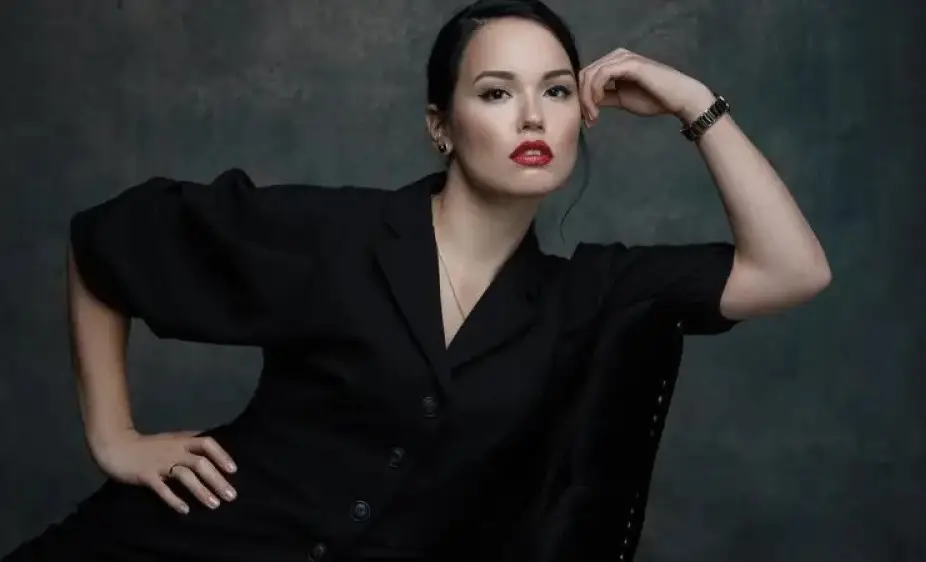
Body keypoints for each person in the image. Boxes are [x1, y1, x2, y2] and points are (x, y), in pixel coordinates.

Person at [3, 0, 831, 561]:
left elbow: (792, 269)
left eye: (554, 91)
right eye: (496, 93)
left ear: (582, 115)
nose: (532, 117)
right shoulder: (339, 235)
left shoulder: (587, 295)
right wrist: (114, 437)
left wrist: (694, 103)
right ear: (441, 125)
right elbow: (106, 240)